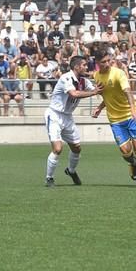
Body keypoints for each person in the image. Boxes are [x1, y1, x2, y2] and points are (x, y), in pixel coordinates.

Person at [91, 50, 136, 187]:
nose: (107, 63)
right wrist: (100, 108)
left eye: (108, 60)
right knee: (125, 151)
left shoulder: (118, 73)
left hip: (132, 115)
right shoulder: (96, 77)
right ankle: (132, 162)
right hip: (115, 119)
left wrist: (133, 110)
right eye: (103, 62)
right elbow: (108, 96)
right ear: (97, 63)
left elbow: (128, 92)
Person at [43, 55, 103, 187]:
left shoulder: (83, 81)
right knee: (58, 149)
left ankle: (71, 171)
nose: (86, 67)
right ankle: (49, 178)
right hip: (54, 115)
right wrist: (94, 93)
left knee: (76, 148)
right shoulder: (66, 78)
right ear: (76, 66)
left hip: (67, 116)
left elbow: (96, 89)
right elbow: (73, 94)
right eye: (84, 65)